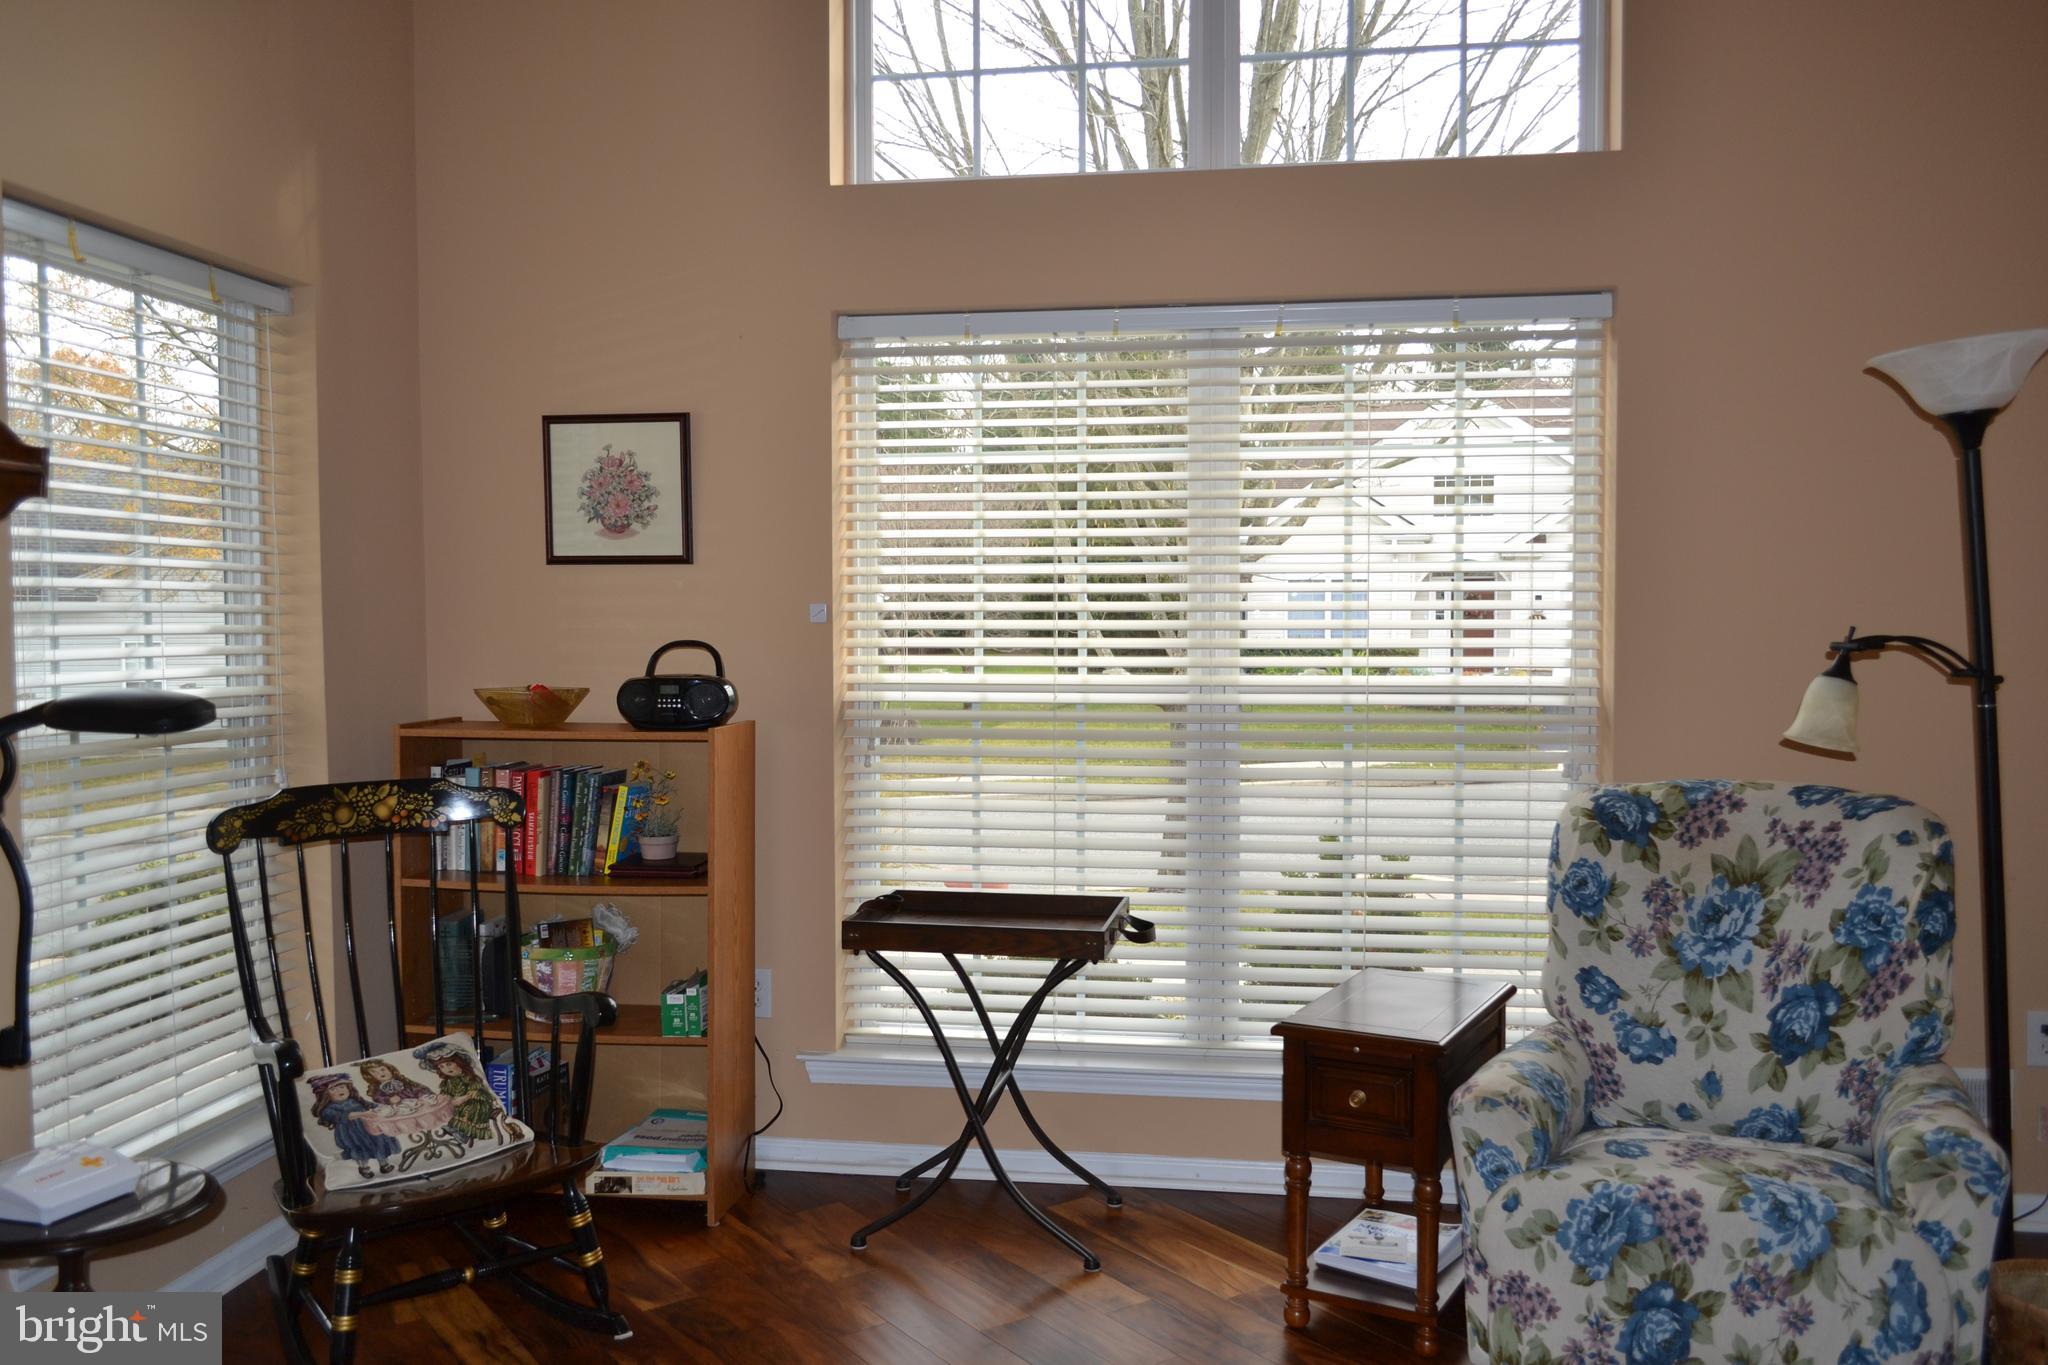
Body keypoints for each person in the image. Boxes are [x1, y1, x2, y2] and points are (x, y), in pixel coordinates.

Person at [308, 1074, 398, 1179]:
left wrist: (383, 1106)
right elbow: (345, 1116)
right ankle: (364, 1168)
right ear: (325, 1094)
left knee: (379, 1143)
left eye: (342, 1087)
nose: (339, 1091)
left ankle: (384, 1164)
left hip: (370, 1128)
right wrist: (362, 1114)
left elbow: (371, 1105)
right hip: (351, 1133)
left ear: (349, 1088)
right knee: (360, 1149)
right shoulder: (329, 1109)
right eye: (333, 1089)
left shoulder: (355, 1100)